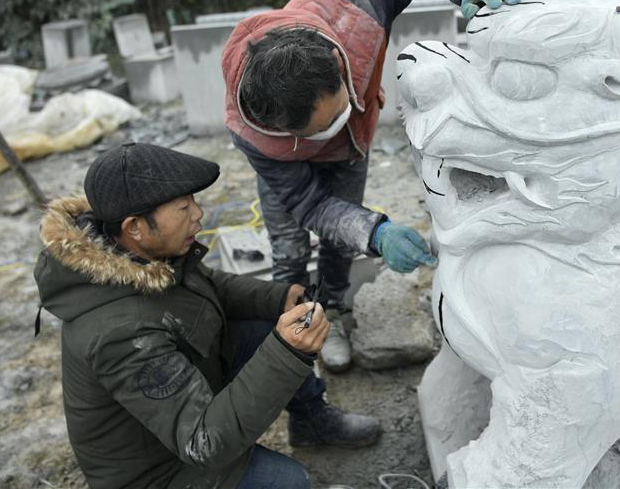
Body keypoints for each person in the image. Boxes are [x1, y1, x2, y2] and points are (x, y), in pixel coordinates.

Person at [222, 0, 539, 371]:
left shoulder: (354, 4)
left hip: (352, 150)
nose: (336, 124)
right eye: (322, 128)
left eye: (340, 107)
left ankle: (334, 309)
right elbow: (310, 205)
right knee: (289, 247)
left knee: (340, 242)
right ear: (283, 130)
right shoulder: (255, 135)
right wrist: (376, 232)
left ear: (337, 60)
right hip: (290, 175)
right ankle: (296, 330)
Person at [34, 142, 381, 489]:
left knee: (267, 326)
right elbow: (203, 442)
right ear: (135, 226)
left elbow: (209, 284)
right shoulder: (121, 333)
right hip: (160, 473)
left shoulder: (138, 253)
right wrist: (287, 351)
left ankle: (311, 423)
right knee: (291, 482)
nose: (198, 214)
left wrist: (278, 297)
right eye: (184, 207)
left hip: (183, 403)